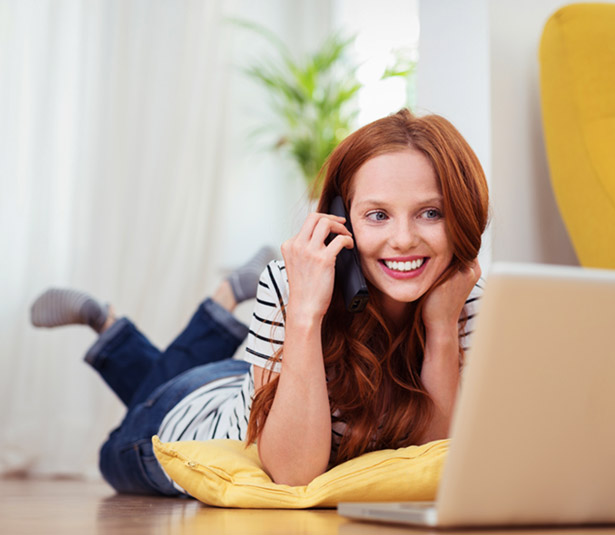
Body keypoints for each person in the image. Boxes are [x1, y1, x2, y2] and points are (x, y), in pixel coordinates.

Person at [30, 108, 490, 495]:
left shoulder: (461, 298)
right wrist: (306, 311)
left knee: (198, 374)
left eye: (431, 213)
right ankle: (152, 317)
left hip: (259, 383)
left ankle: (127, 323)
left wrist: (441, 328)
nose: (404, 239)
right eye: (377, 215)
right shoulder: (296, 285)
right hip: (193, 413)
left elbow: (431, 465)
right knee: (113, 450)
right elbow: (292, 475)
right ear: (338, 218)